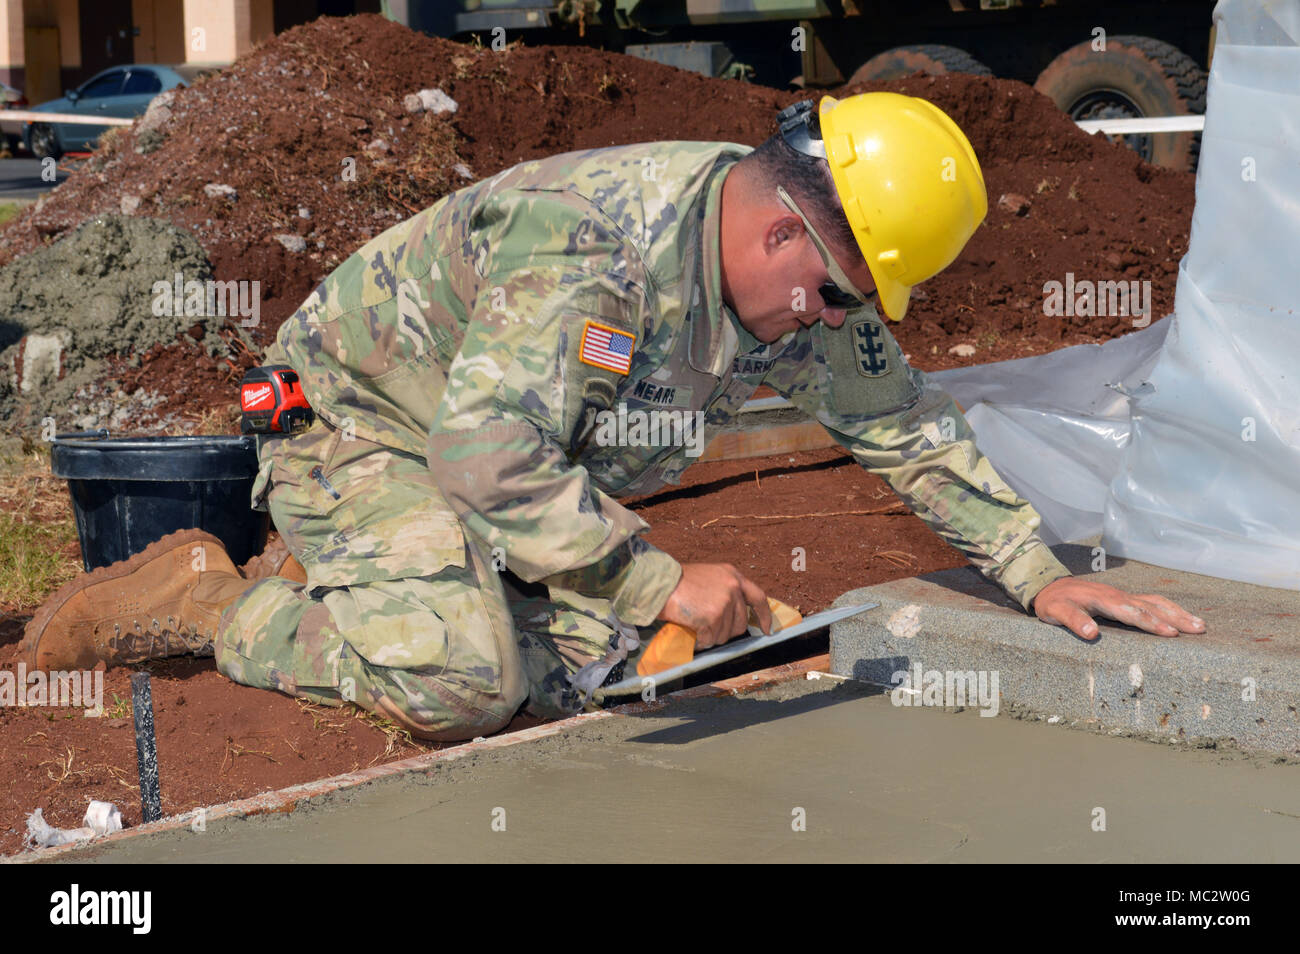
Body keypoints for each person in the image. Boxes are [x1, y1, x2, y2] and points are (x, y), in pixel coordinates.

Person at [23, 92, 1205, 741]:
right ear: (786, 230)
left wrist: (1031, 569)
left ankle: (433, 580)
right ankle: (220, 599)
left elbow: (898, 420)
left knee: (628, 671)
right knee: (465, 684)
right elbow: (483, 458)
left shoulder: (788, 272)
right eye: (839, 295)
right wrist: (651, 584)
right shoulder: (590, 252)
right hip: (368, 434)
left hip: (506, 452)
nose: (836, 323)